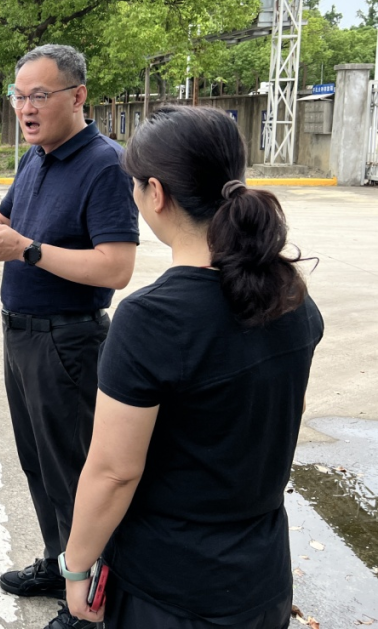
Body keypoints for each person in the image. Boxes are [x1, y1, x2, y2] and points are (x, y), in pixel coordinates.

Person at [61, 106, 322, 629]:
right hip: (262, 580)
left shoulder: (152, 319)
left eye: (135, 184)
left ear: (155, 193)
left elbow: (114, 472)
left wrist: (75, 567)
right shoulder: (289, 293)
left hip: (171, 590)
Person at [0, 44, 139, 629]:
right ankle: (58, 562)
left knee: (76, 474)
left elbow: (116, 267)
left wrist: (25, 250)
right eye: (19, 96)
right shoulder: (36, 156)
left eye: (40, 96)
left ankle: (89, 600)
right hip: (22, 335)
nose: (26, 108)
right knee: (38, 465)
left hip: (68, 342)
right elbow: (8, 220)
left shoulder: (104, 164)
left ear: (77, 97)